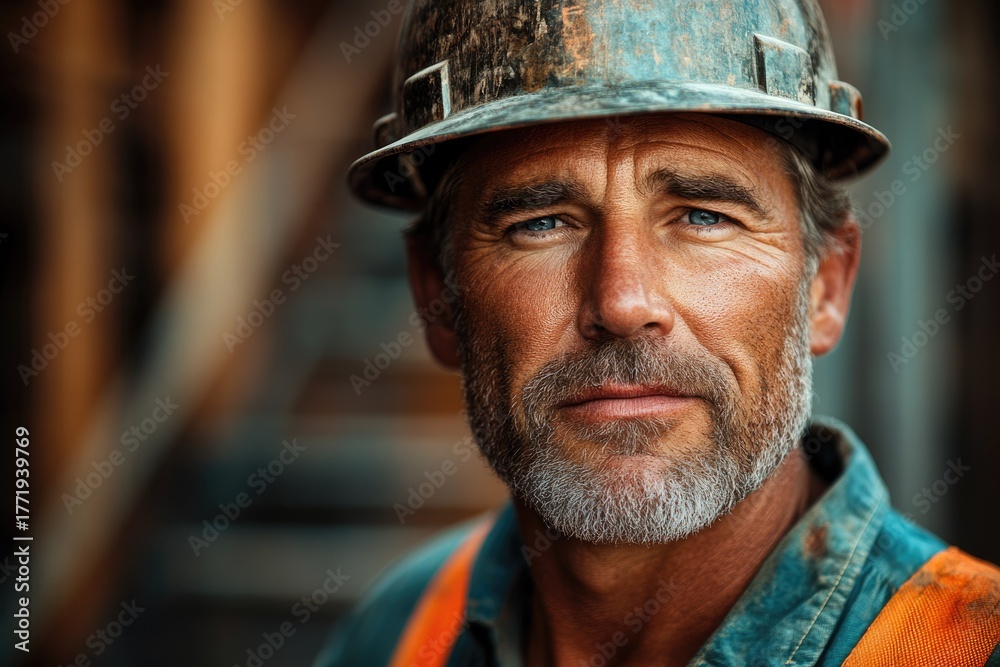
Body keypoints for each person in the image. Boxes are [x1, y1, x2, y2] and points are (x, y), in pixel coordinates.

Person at [318, 0, 1000, 664]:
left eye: (703, 216)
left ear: (825, 285)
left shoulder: (968, 642)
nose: (621, 301)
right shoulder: (401, 630)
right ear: (436, 297)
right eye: (542, 223)